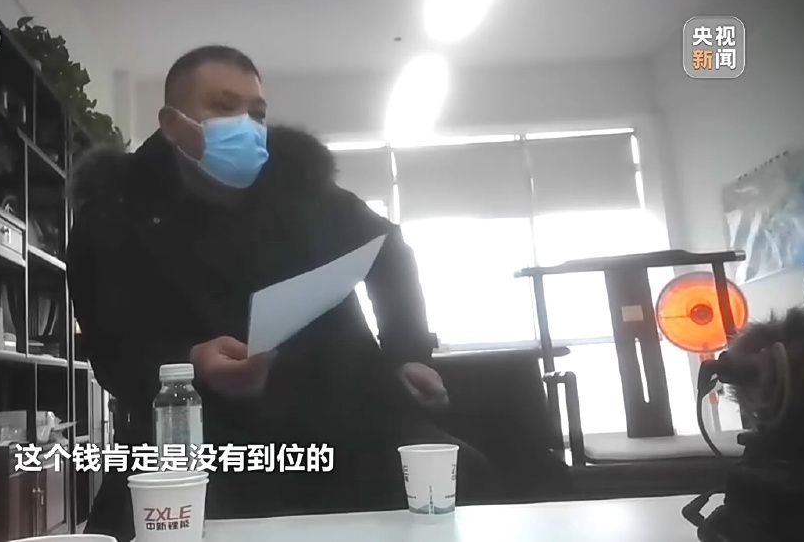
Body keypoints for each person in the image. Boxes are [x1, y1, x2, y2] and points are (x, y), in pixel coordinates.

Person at [68, 45, 492, 540]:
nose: (245, 125)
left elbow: (387, 248)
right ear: (171, 124)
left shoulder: (301, 188)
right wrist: (190, 364)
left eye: (257, 113)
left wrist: (406, 353)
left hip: (342, 411)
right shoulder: (113, 215)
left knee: (470, 481)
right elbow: (111, 350)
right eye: (223, 108)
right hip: (201, 436)